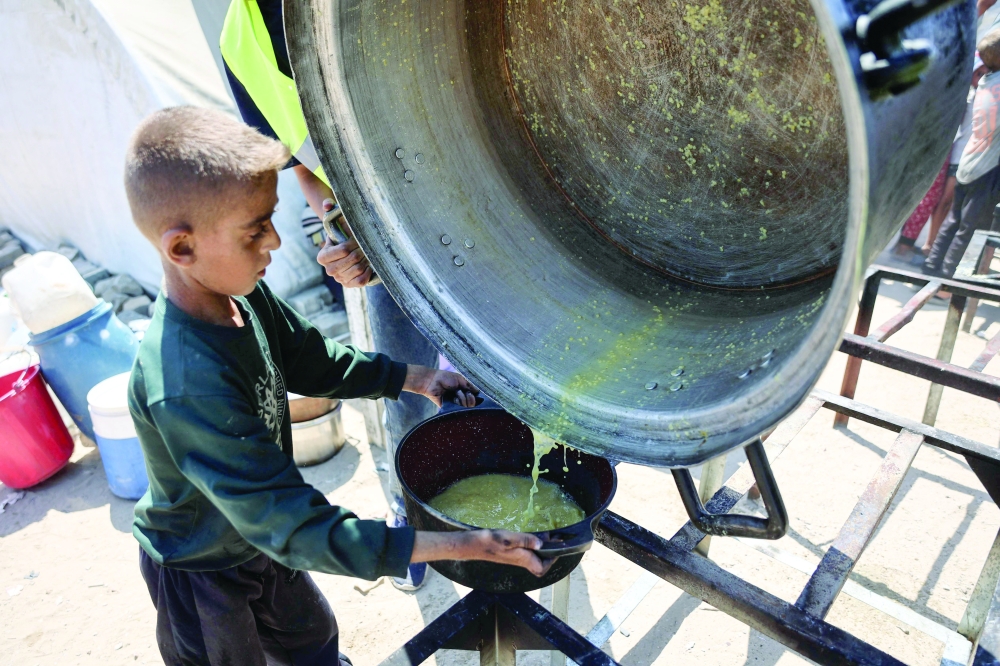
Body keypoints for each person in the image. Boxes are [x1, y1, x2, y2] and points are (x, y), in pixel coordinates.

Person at [124, 106, 550, 666]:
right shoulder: (185, 383)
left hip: (265, 536)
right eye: (255, 230)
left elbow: (311, 360)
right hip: (203, 564)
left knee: (311, 640)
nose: (275, 241)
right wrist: (462, 542)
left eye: (272, 219)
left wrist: (413, 377)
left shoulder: (241, 296)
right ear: (182, 247)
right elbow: (295, 526)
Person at [219, 0, 441, 590]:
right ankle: (412, 514)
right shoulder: (241, 43)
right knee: (409, 378)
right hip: (381, 239)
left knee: (503, 370)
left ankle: (520, 489)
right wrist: (341, 229)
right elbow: (301, 161)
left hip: (463, 203)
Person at [925, 31, 1000, 277]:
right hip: (986, 169)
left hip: (969, 161)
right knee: (970, 229)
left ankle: (932, 268)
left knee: (953, 221)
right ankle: (946, 282)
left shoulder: (986, 82)